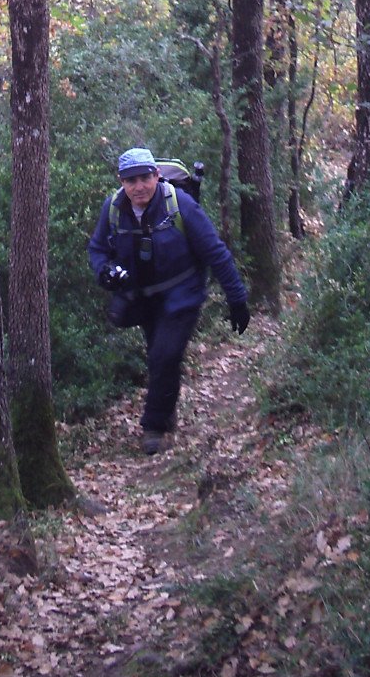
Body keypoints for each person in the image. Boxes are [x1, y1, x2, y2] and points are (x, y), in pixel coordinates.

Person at [88, 147, 250, 455]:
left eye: (145, 178)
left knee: (165, 354)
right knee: (159, 356)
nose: (139, 187)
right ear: (121, 182)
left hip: (182, 294)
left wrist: (237, 298)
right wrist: (106, 271)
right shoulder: (112, 209)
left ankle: (155, 427)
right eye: (131, 180)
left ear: (157, 176)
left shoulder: (180, 205)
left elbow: (215, 252)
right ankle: (167, 409)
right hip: (144, 300)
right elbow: (97, 249)